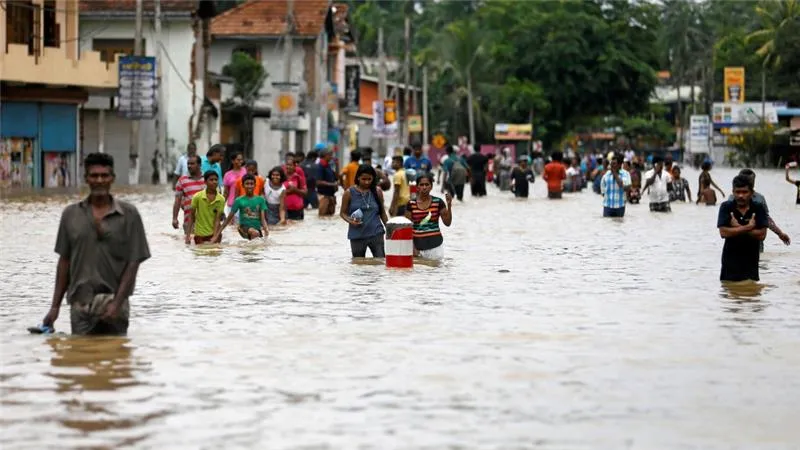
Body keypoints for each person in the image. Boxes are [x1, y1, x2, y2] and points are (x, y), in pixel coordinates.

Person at [42, 153, 150, 335]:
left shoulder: (129, 215)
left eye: (104, 176)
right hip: (80, 306)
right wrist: (54, 308)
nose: (99, 180)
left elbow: (134, 262)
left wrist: (117, 303)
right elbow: (64, 262)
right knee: (81, 356)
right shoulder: (70, 215)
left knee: (116, 356)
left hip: (114, 303)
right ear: (86, 179)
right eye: (94, 176)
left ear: (112, 178)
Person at [717, 175, 768, 282]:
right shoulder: (726, 207)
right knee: (729, 295)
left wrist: (737, 227)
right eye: (737, 192)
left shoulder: (758, 208)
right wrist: (748, 227)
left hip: (751, 265)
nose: (741, 195)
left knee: (752, 294)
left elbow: (762, 235)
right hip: (729, 266)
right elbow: (723, 233)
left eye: (745, 192)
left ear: (752, 193)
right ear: (733, 192)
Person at [730, 169, 791, 246]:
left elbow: (766, 219)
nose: (751, 183)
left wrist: (780, 233)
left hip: (756, 243)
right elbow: (726, 224)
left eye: (752, 181)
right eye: (748, 181)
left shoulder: (759, 198)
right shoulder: (731, 200)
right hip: (735, 243)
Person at [340, 164, 388, 258]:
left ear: (373, 178)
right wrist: (351, 221)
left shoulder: (377, 191)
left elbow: (382, 213)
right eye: (363, 179)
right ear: (358, 178)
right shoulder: (349, 193)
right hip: (357, 235)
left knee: (380, 263)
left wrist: (389, 229)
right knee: (358, 265)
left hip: (376, 233)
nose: (366, 182)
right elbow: (342, 213)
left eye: (369, 179)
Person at [405, 173, 453, 260]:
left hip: (436, 247)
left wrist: (449, 205)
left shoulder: (438, 202)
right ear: (417, 187)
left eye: (427, 184)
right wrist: (412, 248)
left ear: (431, 187)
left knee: (435, 271)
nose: (424, 187)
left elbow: (447, 223)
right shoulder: (411, 204)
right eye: (421, 185)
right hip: (418, 248)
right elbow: (407, 228)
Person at [214, 174, 268, 241]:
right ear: (243, 185)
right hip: (243, 228)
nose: (249, 186)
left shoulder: (261, 200)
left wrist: (266, 230)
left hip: (257, 228)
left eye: (251, 184)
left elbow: (263, 219)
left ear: (255, 185)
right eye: (247, 184)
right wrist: (217, 235)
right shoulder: (239, 200)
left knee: (258, 245)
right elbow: (228, 219)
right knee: (255, 234)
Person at [187, 171, 225, 244]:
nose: (214, 182)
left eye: (216, 180)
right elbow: (191, 217)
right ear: (205, 182)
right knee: (201, 254)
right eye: (211, 180)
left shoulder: (221, 199)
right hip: (199, 235)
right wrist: (187, 236)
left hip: (215, 234)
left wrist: (215, 237)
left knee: (215, 253)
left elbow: (217, 220)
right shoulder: (197, 197)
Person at [172, 154, 205, 238]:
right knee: (191, 246)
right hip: (189, 221)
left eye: (192, 164)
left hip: (206, 220)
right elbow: (177, 201)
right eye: (188, 164)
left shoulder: (207, 179)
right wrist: (175, 218)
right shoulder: (182, 181)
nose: (189, 166)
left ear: (199, 165)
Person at [316, 149, 339, 217]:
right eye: (330, 155)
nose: (331, 157)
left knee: (330, 217)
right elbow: (318, 182)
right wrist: (333, 184)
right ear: (325, 156)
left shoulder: (328, 166)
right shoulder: (320, 166)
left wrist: (337, 165)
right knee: (322, 216)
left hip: (331, 196)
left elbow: (336, 177)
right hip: (324, 197)